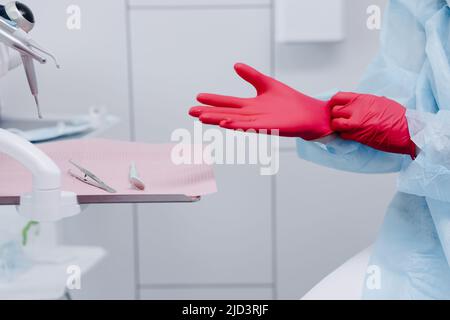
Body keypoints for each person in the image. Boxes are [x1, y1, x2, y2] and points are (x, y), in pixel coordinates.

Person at [189, 0, 450, 299]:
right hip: (427, 246)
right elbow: (401, 118)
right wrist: (328, 120)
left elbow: (415, 132)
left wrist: (422, 134)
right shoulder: (423, 5)